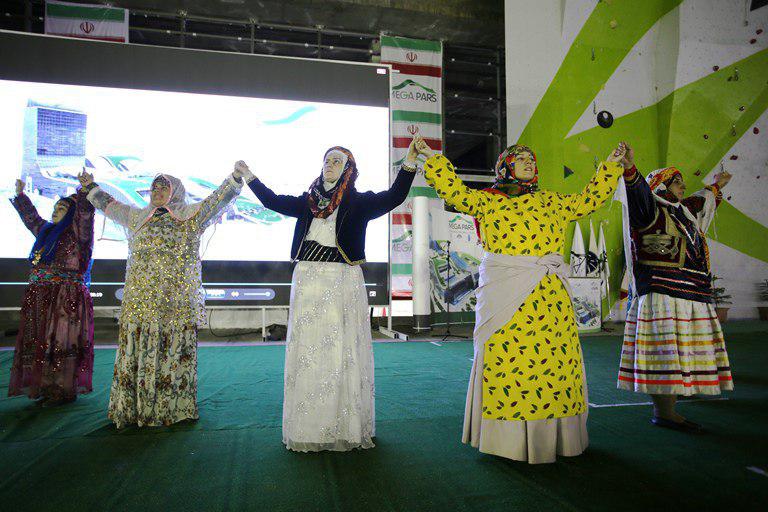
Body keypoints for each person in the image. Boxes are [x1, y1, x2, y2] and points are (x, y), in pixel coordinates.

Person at [416, 134, 627, 463]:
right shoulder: (489, 201)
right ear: (505, 167)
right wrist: (432, 157)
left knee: (555, 364)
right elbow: (455, 191)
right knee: (508, 361)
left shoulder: (553, 201)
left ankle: (555, 437)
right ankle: (508, 441)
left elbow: (590, 200)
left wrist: (611, 166)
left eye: (532, 159)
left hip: (550, 296)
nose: (528, 162)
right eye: (520, 159)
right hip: (505, 292)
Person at [236, 143, 416, 451]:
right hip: (308, 279)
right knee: (310, 350)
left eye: (336, 161)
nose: (329, 165)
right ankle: (309, 426)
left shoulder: (359, 202)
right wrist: (249, 176)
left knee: (340, 349)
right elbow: (272, 201)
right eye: (326, 160)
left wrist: (409, 161)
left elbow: (394, 196)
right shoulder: (308, 202)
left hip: (342, 280)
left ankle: (343, 426)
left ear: (347, 169)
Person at [80, 168, 244, 428]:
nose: (157, 192)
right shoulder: (137, 217)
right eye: (154, 188)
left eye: (163, 188)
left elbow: (216, 201)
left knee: (172, 351)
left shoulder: (190, 217)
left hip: (174, 306)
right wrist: (91, 187)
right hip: (139, 304)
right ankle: (135, 408)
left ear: (175, 192)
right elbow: (109, 205)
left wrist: (233, 180)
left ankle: (170, 409)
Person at [616, 145, 733, 431]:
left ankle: (678, 392)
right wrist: (630, 168)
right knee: (665, 353)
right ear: (661, 187)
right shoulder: (648, 210)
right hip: (663, 293)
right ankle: (665, 412)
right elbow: (638, 191)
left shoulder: (682, 212)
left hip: (691, 293)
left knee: (683, 351)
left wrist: (717, 185)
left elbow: (701, 200)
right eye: (676, 182)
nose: (683, 186)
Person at [8, 173, 95, 406]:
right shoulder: (46, 231)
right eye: (55, 208)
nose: (55, 211)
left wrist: (85, 191)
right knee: (41, 340)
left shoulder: (79, 234)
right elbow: (31, 219)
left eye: (62, 208)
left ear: (72, 214)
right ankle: (44, 386)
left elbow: (85, 215)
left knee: (61, 341)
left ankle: (61, 390)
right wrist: (20, 195)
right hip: (41, 296)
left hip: (65, 298)